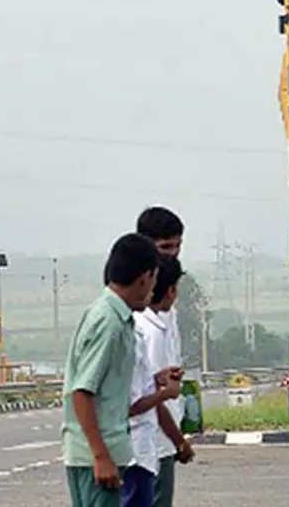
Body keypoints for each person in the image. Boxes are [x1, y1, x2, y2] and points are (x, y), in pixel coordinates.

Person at [62, 233, 168, 507]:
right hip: (96, 458)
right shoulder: (108, 322)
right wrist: (100, 456)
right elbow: (82, 391)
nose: (154, 288)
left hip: (108, 451)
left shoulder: (117, 317)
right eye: (154, 279)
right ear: (144, 277)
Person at [135, 206, 187, 507]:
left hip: (163, 438)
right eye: (166, 247)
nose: (174, 254)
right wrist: (178, 440)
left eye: (178, 246)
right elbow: (149, 393)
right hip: (151, 441)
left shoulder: (167, 308)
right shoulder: (144, 323)